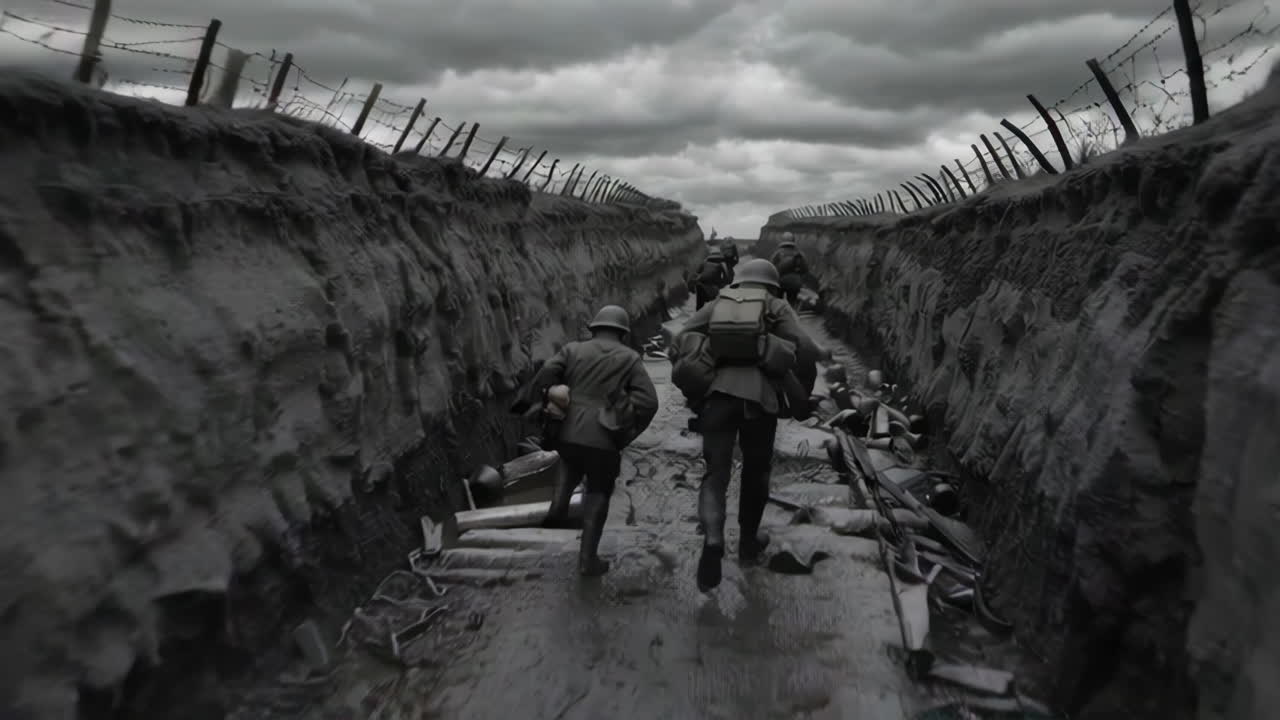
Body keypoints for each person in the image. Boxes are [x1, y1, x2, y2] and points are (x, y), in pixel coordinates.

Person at [672, 259, 822, 592]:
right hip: (760, 401)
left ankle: (713, 540)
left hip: (716, 400)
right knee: (756, 472)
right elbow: (808, 350)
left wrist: (701, 375)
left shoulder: (716, 304)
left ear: (739, 283)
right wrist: (801, 394)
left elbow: (679, 341)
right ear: (772, 285)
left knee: (715, 474)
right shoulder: (776, 305)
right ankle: (748, 543)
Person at [527, 305, 659, 576]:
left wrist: (547, 401)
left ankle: (558, 507)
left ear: (595, 328)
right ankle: (588, 560)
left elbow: (545, 375)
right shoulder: (630, 358)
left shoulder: (572, 349)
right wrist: (626, 427)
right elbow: (649, 402)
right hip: (604, 439)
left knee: (570, 461)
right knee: (599, 491)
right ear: (622, 333)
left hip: (567, 433)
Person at [770, 233, 809, 306]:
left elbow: (772, 268)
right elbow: (805, 270)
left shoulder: (777, 254)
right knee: (792, 303)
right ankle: (792, 314)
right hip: (795, 284)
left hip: (780, 283)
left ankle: (778, 314)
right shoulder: (799, 254)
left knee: (777, 303)